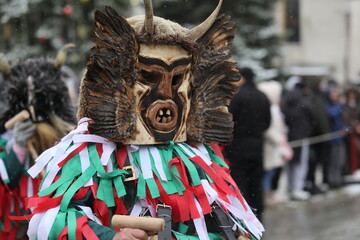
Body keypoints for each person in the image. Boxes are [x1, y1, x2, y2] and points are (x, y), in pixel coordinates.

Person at [25, 1, 265, 240]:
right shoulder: (88, 151)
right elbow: (47, 222)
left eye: (176, 79)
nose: (165, 95)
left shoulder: (197, 153)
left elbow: (229, 216)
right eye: (149, 76)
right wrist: (110, 237)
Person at [0, 47, 76, 239]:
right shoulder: (5, 141)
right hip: (18, 227)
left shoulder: (72, 142)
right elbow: (4, 187)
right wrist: (17, 149)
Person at [223, 67, 271, 221]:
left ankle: (244, 219)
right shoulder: (263, 96)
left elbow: (228, 120)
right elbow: (267, 123)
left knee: (240, 184)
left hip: (238, 147)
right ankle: (258, 217)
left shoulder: (238, 97)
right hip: (257, 147)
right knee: (256, 185)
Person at [258, 81, 293, 206]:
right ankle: (267, 194)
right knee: (269, 172)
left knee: (273, 171)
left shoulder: (274, 108)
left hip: (275, 146)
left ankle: (270, 193)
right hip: (271, 146)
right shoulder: (270, 109)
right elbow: (269, 129)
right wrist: (278, 140)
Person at [282, 76, 316, 200]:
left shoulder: (287, 99)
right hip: (302, 135)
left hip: (289, 135)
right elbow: (313, 116)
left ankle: (290, 187)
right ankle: (297, 188)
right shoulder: (304, 100)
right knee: (300, 163)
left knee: (290, 163)